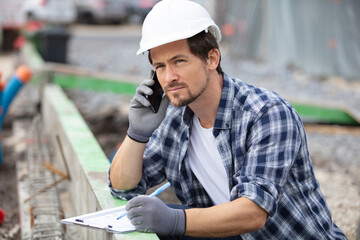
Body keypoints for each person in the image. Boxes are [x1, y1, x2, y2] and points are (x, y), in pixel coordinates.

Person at [109, 0, 347, 239]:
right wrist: (137, 133)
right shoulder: (175, 121)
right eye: (160, 66)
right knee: (137, 220)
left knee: (169, 221)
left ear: (212, 59)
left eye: (179, 61)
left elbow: (253, 212)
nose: (169, 77)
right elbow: (123, 186)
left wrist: (174, 221)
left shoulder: (267, 114)